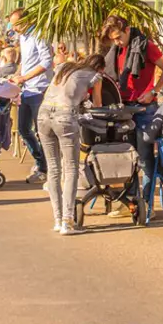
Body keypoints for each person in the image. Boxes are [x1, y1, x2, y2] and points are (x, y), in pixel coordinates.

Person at [101, 13, 163, 221]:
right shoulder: (117, 49)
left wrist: (154, 91)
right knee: (127, 158)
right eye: (113, 39)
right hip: (123, 107)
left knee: (144, 159)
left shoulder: (146, 46)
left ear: (127, 30)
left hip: (144, 108)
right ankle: (131, 201)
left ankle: (146, 204)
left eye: (118, 37)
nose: (116, 42)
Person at [40, 50, 102, 234]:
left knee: (53, 167)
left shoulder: (63, 68)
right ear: (100, 67)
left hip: (43, 114)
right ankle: (68, 221)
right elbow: (98, 105)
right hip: (65, 117)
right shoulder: (96, 76)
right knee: (71, 168)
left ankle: (58, 220)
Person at [9, 8, 54, 183]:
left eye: (16, 24)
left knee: (41, 131)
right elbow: (25, 61)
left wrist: (25, 77)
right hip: (26, 89)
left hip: (40, 88)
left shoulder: (39, 33)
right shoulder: (23, 37)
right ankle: (40, 161)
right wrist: (17, 75)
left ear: (26, 21)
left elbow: (46, 61)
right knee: (23, 129)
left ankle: (45, 168)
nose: (14, 28)